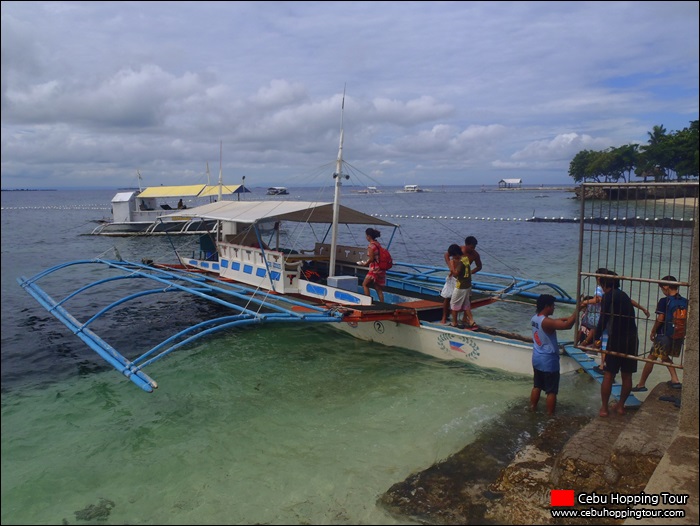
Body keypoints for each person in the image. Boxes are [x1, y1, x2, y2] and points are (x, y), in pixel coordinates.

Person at [583, 274, 639, 417]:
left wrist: (596, 339)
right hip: (632, 339)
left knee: (608, 374)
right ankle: (620, 406)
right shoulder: (624, 295)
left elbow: (603, 319)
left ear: (603, 284)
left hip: (617, 339)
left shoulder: (608, 297)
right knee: (627, 375)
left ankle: (604, 409)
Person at [632, 276, 685, 392]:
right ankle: (673, 380)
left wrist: (653, 331)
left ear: (666, 287)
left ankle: (642, 385)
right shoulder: (684, 301)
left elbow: (661, 318)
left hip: (663, 334)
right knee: (658, 356)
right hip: (677, 334)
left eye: (662, 288)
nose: (662, 291)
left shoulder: (664, 301)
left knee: (654, 358)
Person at [530, 294, 579, 415]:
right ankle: (550, 415)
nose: (554, 308)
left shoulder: (535, 318)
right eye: (553, 306)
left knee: (537, 385)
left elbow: (556, 322)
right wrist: (578, 310)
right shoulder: (547, 322)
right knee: (551, 391)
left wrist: (569, 317)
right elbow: (567, 326)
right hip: (549, 361)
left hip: (537, 357)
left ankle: (532, 408)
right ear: (547, 306)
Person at [358, 228, 385, 302]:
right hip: (381, 268)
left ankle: (368, 301)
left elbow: (371, 259)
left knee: (365, 284)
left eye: (366, 236)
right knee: (378, 288)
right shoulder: (377, 244)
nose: (366, 237)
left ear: (369, 236)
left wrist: (365, 264)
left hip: (374, 269)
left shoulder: (371, 246)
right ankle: (382, 303)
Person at [440, 244, 463, 324]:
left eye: (454, 255)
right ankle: (444, 317)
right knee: (447, 298)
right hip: (452, 280)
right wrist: (451, 269)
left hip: (460, 280)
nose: (454, 257)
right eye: (452, 255)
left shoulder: (463, 258)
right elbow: (446, 255)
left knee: (456, 301)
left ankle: (456, 320)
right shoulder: (453, 260)